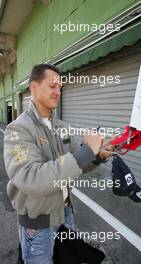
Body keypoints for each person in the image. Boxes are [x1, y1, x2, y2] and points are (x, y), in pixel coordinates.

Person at [4, 64, 112, 264]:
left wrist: (97, 155)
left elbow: (74, 162)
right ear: (33, 88)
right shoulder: (18, 130)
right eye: (52, 86)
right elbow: (31, 178)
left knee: (67, 258)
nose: (58, 91)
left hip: (65, 213)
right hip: (38, 223)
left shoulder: (62, 127)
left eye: (60, 87)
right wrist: (87, 150)